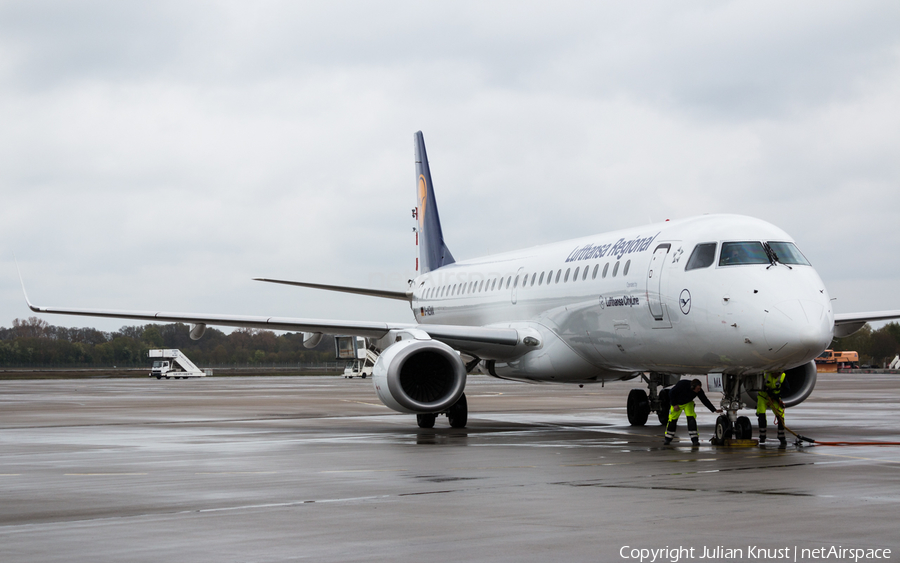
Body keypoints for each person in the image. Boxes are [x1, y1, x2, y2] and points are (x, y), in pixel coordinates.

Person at [664, 378, 722, 445]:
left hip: (688, 403)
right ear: (692, 387)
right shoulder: (682, 384)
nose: (699, 390)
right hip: (677, 403)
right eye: (698, 389)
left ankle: (695, 440)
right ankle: (668, 439)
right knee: (672, 420)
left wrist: (714, 409)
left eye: (700, 388)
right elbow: (671, 393)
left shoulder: (699, 391)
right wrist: (674, 404)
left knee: (691, 420)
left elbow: (704, 400)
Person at [757, 371, 791, 447]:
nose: (778, 375)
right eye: (777, 373)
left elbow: (787, 389)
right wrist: (765, 389)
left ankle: (781, 436)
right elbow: (758, 385)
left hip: (775, 397)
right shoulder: (765, 375)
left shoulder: (782, 376)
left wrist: (778, 395)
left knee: (781, 416)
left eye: (779, 373)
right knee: (761, 414)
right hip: (763, 397)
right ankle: (762, 437)